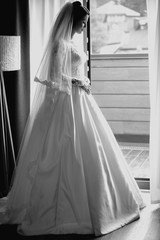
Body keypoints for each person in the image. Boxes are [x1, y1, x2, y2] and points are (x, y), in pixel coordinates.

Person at [0, 1, 145, 237]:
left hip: (81, 101)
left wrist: (81, 82)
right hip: (67, 103)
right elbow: (55, 76)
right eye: (82, 23)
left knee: (94, 147)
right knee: (67, 150)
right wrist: (80, 81)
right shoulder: (59, 44)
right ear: (73, 21)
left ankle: (105, 202)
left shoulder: (70, 42)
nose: (83, 27)